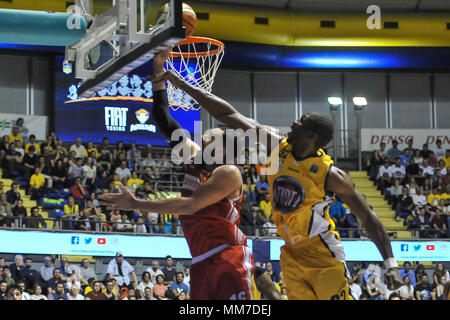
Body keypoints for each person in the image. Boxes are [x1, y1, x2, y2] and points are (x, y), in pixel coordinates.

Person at [154, 62, 403, 300]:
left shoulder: (330, 174)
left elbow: (367, 216)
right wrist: (181, 83)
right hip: (291, 256)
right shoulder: (277, 145)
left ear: (311, 135)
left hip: (321, 254)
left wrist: (390, 263)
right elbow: (229, 114)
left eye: (300, 122)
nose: (293, 123)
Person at [99, 54, 255, 300]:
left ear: (224, 149)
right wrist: (159, 72)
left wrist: (137, 204)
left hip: (228, 256)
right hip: (201, 259)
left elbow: (191, 205)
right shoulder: (193, 156)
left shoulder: (228, 173)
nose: (203, 137)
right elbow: (163, 117)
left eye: (210, 135)